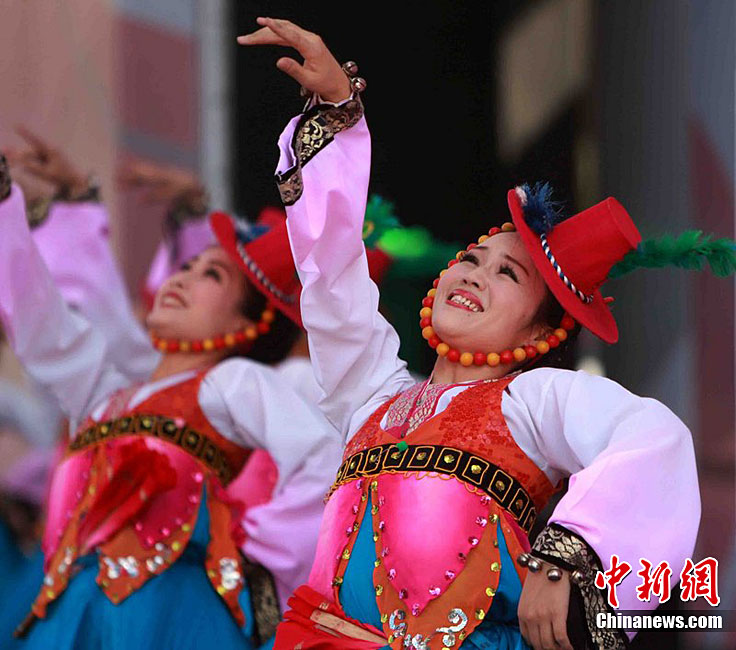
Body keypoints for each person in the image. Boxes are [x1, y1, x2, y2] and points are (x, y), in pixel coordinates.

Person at [238, 18, 735, 649]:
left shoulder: (533, 400)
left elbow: (652, 438)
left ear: (543, 327)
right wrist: (338, 113)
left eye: (508, 273)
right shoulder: (371, 396)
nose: (475, 272)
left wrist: (567, 559)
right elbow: (332, 276)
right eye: (472, 258)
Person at [0, 153, 342, 649]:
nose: (181, 278)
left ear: (247, 324)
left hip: (170, 614)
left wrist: (259, 562)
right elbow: (42, 324)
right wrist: (6, 205)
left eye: (212, 275)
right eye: (185, 266)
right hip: (72, 613)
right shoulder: (105, 397)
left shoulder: (231, 384)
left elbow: (324, 459)